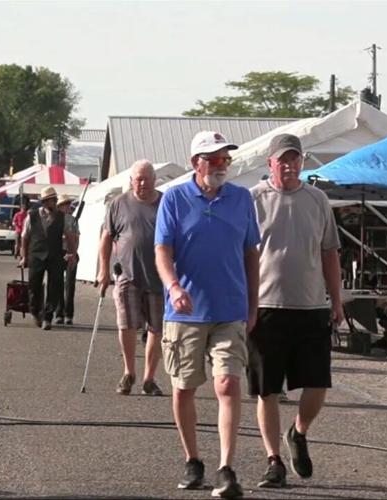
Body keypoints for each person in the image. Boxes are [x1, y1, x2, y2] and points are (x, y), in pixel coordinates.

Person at [155, 131, 260, 498]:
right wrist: (173, 286)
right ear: (195, 163)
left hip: (230, 308)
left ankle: (227, 468)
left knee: (228, 383)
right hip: (185, 312)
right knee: (184, 387)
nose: (221, 166)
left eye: (226, 159)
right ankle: (193, 460)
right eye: (214, 159)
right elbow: (162, 251)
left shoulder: (242, 199)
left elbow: (251, 254)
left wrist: (253, 303)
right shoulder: (175, 198)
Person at [248, 133, 344, 489]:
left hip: (310, 306)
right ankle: (273, 461)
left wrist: (336, 300)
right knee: (267, 389)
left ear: (302, 162)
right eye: (282, 160)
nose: (289, 165)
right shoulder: (253, 200)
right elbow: (241, 253)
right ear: (269, 163)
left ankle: (299, 431)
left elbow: (330, 252)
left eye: (295, 159)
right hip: (265, 307)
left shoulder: (318, 200)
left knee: (317, 384)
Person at [98, 160, 165, 397]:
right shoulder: (119, 204)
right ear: (131, 181)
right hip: (127, 274)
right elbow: (106, 238)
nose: (142, 183)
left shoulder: (166, 202)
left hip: (159, 277)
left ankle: (149, 377)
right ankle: (129, 372)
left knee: (157, 328)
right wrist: (103, 270)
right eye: (138, 179)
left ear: (155, 180)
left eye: (146, 178)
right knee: (126, 323)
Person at [19, 187, 78, 330]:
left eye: (56, 200)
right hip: (36, 254)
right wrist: (24, 257)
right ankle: (35, 311)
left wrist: (71, 253)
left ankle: (48, 317)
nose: (56, 203)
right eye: (54, 200)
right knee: (34, 286)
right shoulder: (31, 216)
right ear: (46, 202)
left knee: (55, 286)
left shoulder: (61, 217)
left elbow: (70, 236)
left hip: (55, 255)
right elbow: (25, 237)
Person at [55, 195, 80, 325]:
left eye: (68, 204)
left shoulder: (73, 220)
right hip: (58, 253)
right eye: (64, 204)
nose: (67, 206)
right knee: (58, 284)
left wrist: (73, 253)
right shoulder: (54, 219)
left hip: (71, 253)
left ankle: (69, 314)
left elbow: (77, 237)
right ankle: (59, 313)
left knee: (70, 285)